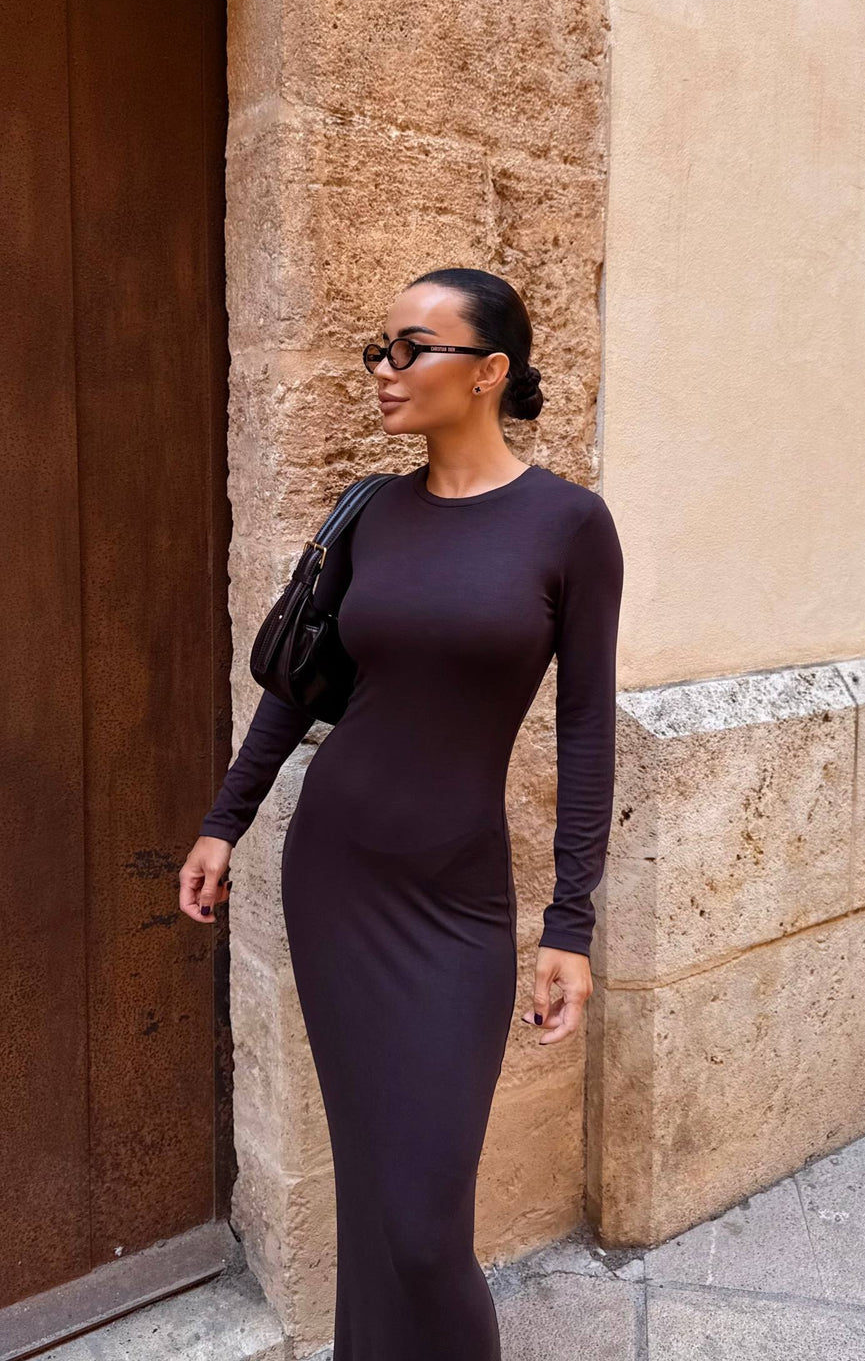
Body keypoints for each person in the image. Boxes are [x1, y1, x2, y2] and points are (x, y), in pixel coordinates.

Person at [179, 267, 624, 1360]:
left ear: (488, 371)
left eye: (409, 349)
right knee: (380, 1189)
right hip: (339, 877)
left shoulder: (569, 525)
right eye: (378, 350)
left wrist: (571, 923)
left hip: (457, 901)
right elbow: (297, 684)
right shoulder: (373, 510)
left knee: (425, 1226)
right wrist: (224, 820)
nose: (383, 371)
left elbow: (586, 730)